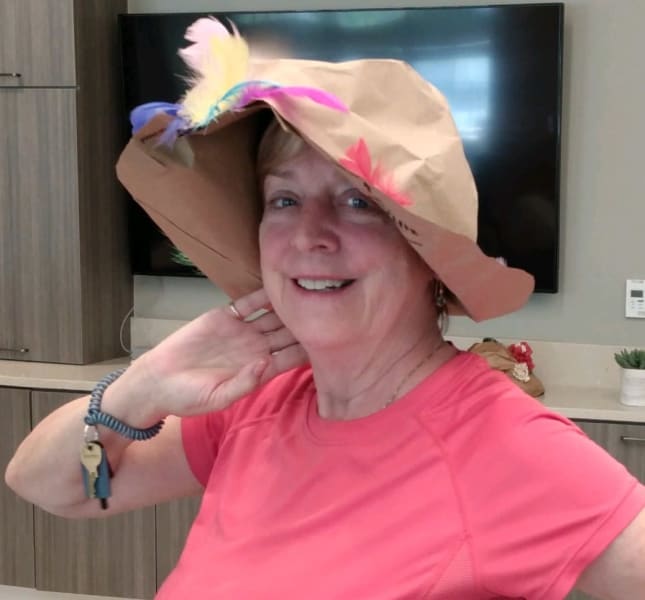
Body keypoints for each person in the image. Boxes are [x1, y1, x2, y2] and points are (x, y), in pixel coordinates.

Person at [6, 18, 645, 599]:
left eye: (357, 201)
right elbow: (47, 484)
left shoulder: (504, 444)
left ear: (427, 252)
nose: (310, 234)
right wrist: (142, 385)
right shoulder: (259, 402)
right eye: (283, 200)